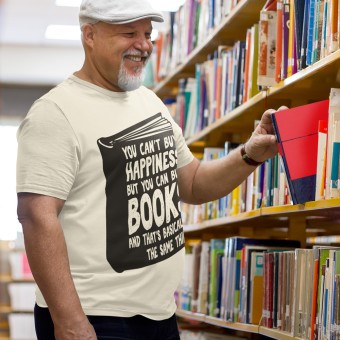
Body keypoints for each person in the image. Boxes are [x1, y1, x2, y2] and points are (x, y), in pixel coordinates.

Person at [16, 0, 281, 339]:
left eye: (147, 33)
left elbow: (194, 184)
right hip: (92, 316)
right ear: (89, 35)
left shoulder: (150, 103)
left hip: (158, 315)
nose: (142, 44)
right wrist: (68, 319)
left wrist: (250, 154)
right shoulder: (55, 112)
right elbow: (37, 216)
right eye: (128, 33)